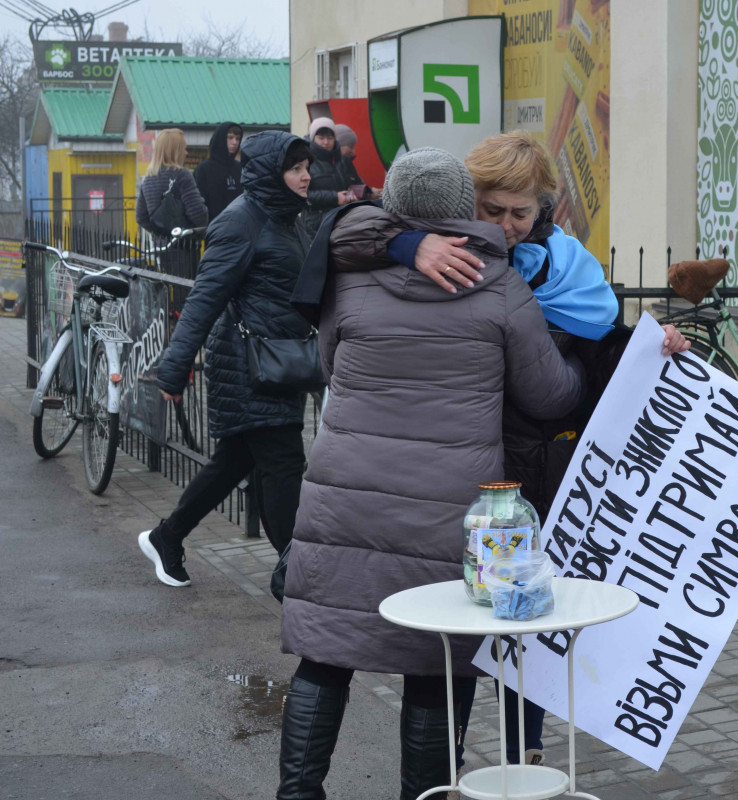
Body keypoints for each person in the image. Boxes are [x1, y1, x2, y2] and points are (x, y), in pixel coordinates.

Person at [276, 148, 587, 800]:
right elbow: (549, 396)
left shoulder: (348, 278)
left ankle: (297, 794)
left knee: (326, 653)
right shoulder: (500, 286)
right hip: (445, 509)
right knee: (436, 666)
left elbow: (332, 364)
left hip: (343, 496)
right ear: (463, 209)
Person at [387, 132, 689, 767]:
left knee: (527, 619)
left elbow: (600, 351)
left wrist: (648, 345)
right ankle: (444, 759)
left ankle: (525, 753)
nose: (506, 226)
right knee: (461, 622)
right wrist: (408, 242)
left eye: (519, 212)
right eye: (491, 209)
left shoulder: (570, 266)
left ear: (542, 206)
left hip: (536, 477)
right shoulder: (444, 253)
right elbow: (350, 234)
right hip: (457, 469)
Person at [137, 131, 315, 588]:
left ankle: (167, 535)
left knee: (237, 460)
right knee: (283, 465)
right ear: (272, 172)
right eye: (295, 168)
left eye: (306, 166)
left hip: (279, 363)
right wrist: (175, 367)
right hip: (249, 367)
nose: (305, 175)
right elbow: (203, 299)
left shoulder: (287, 217)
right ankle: (296, 578)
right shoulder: (241, 222)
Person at [135, 128, 208, 244]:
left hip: (161, 246)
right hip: (184, 245)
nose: (186, 153)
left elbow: (140, 217)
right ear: (175, 151)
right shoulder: (182, 175)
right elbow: (197, 212)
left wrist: (161, 233)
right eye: (184, 149)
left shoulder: (148, 179)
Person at [299, 117, 351, 238]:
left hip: (341, 222)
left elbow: (353, 183)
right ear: (313, 138)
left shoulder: (342, 160)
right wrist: (334, 197)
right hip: (315, 226)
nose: (326, 142)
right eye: (321, 138)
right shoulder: (305, 162)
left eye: (330, 138)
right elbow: (303, 195)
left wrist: (363, 192)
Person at [192, 122, 243, 218]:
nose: (235, 142)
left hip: (237, 226)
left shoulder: (240, 168)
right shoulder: (204, 169)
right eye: (230, 137)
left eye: (238, 139)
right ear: (220, 139)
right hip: (211, 226)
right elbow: (198, 203)